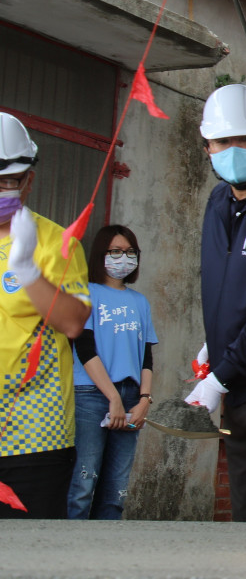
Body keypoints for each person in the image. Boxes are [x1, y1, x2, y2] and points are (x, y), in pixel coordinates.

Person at [184, 84, 246, 523]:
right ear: (206, 146)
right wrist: (215, 343)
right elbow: (225, 288)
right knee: (243, 518)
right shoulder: (219, 202)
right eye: (223, 142)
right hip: (236, 386)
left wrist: (219, 377)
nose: (234, 151)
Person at [0, 112, 91, 518]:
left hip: (34, 437)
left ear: (28, 181)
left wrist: (29, 272)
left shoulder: (56, 241)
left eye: (8, 180)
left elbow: (73, 321)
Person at [68, 225, 157, 520]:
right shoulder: (86, 293)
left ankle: (106, 554)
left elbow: (146, 356)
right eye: (115, 252)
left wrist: (144, 399)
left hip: (132, 397)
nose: (124, 258)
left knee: (117, 488)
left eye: (130, 252)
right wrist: (112, 399)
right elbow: (84, 349)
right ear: (101, 255)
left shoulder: (140, 302)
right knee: (84, 480)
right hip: (91, 396)